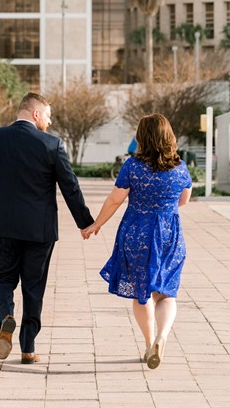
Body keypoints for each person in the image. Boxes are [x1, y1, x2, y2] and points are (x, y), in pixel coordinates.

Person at [0, 91, 94, 365]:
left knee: (2, 278)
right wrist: (85, 222)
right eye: (47, 116)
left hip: (1, 225)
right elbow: (69, 186)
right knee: (33, 288)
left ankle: (5, 316)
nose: (49, 122)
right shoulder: (51, 144)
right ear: (36, 114)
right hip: (39, 230)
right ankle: (28, 348)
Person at [82, 114, 192, 370]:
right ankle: (163, 337)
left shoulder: (132, 167)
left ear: (142, 137)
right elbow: (184, 200)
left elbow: (115, 200)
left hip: (136, 233)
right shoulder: (180, 167)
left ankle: (149, 342)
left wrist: (96, 224)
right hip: (169, 235)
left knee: (142, 294)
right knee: (166, 293)